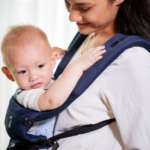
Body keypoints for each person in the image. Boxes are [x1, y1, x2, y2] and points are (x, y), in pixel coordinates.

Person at [51, 0, 150, 149]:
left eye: (84, 8)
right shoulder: (86, 37)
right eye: (68, 4)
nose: (72, 17)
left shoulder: (132, 60)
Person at [1, 25, 106, 147]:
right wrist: (78, 66)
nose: (33, 77)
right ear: (9, 74)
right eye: (22, 72)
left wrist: (51, 53)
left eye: (40, 66)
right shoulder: (25, 95)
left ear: (52, 62)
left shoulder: (41, 79)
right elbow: (52, 100)